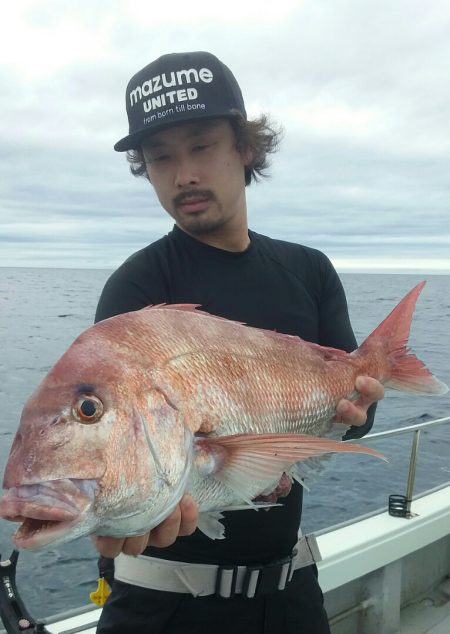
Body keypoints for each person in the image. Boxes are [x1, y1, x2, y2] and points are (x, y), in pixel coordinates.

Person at [93, 51, 384, 633]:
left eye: (201, 146)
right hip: (161, 606)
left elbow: (354, 415)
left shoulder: (310, 270)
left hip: (290, 589)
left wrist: (357, 411)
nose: (184, 175)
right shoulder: (139, 285)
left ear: (245, 149)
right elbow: (113, 446)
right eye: (160, 158)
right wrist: (114, 520)